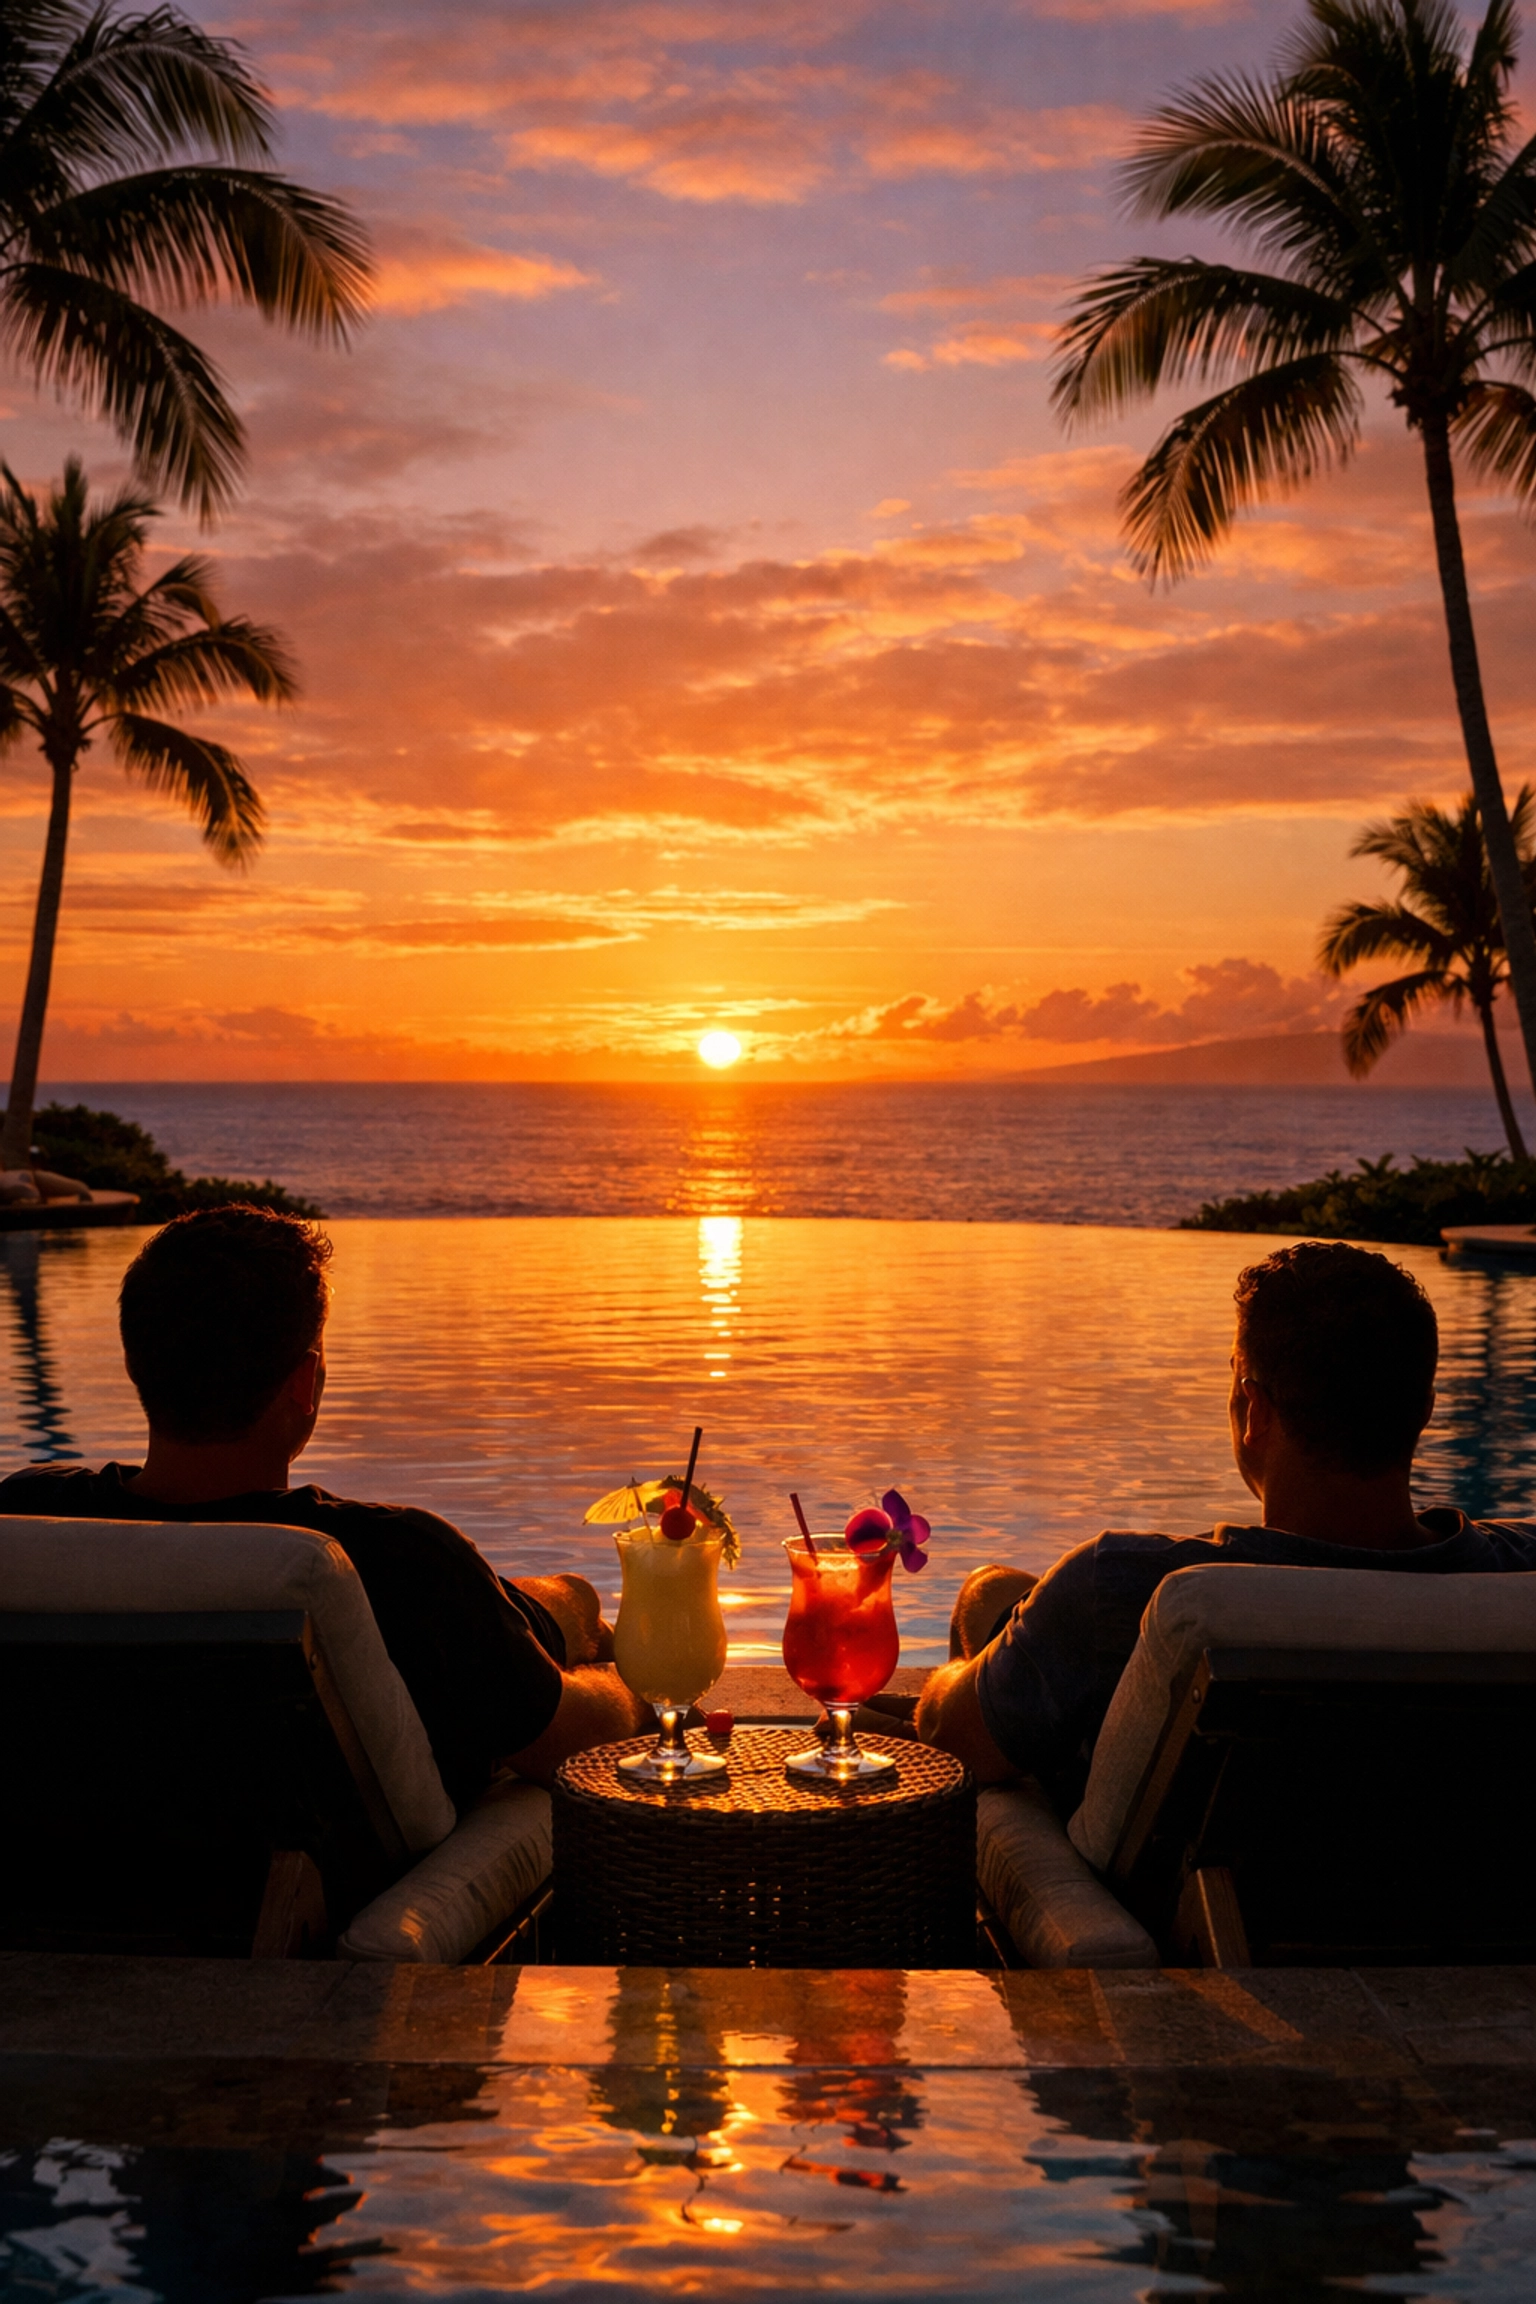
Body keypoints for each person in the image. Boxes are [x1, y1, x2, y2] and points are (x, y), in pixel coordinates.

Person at [0, 1205, 652, 1800]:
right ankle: (575, 1611)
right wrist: (644, 1683)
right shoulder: (391, 1561)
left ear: (134, 1361)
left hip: (64, 1876)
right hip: (324, 1889)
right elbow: (581, 1739)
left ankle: (568, 1607)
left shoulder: (28, 1516)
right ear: (304, 1381)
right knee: (572, 1617)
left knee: (564, 1602)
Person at [916, 1238, 1536, 1807]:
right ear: (1423, 1409)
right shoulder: (1518, 1570)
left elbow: (950, 1739)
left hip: (1190, 1894)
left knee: (984, 1596)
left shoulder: (1129, 1590)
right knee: (999, 1593)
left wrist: (951, 1681)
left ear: (1255, 1411)